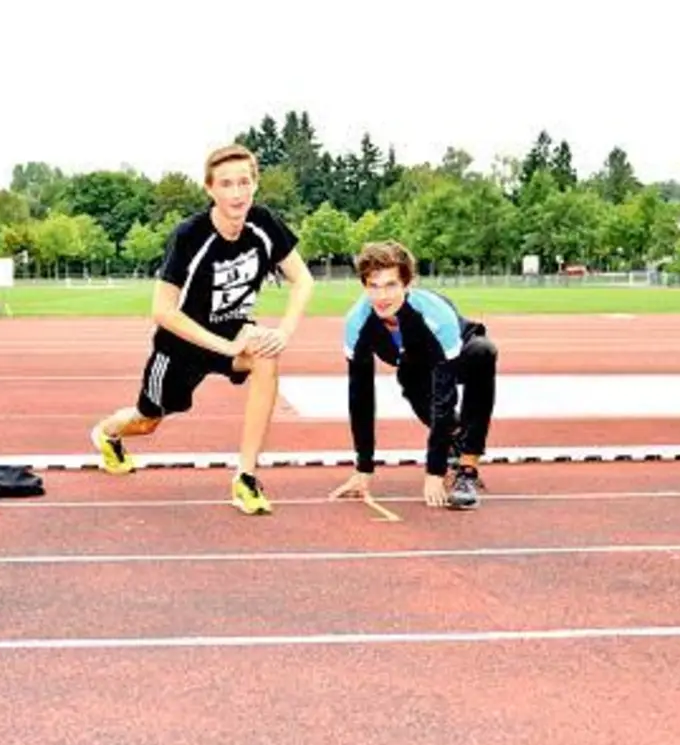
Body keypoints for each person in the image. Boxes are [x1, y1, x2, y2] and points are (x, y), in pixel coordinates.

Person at [89, 143, 314, 515]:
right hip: (181, 344)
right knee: (147, 422)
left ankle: (245, 476)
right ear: (210, 189)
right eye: (226, 184)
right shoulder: (190, 235)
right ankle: (108, 434)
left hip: (236, 334)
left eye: (245, 182)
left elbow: (303, 280)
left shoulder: (264, 224)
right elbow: (162, 311)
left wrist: (283, 333)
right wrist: (223, 348)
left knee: (267, 357)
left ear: (256, 184)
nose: (237, 192)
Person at [328, 241, 497, 510]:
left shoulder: (436, 315)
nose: (381, 296)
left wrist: (434, 472)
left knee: (483, 352)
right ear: (363, 286)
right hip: (412, 363)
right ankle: (455, 441)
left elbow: (445, 395)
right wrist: (364, 468)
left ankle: (466, 470)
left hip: (454, 351)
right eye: (373, 286)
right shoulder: (357, 323)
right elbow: (360, 397)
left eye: (391, 285)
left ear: (408, 284)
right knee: (413, 384)